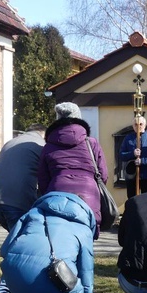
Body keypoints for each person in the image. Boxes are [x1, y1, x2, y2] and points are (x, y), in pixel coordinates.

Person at [0, 123, 47, 293]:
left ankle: (14, 288)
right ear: (42, 134)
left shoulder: (11, 143)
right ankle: (3, 291)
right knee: (21, 248)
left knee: (17, 243)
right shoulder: (40, 146)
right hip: (15, 200)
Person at [38, 102, 108, 238]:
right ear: (78, 118)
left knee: (59, 235)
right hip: (88, 192)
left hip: (57, 191)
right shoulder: (91, 142)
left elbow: (42, 177)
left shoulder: (49, 146)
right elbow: (103, 173)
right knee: (86, 235)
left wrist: (47, 193)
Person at [119, 116, 147, 198]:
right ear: (133, 126)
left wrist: (143, 161)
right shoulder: (128, 138)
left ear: (145, 125)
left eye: (141, 124)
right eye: (136, 124)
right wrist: (132, 154)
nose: (138, 126)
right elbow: (121, 155)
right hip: (132, 175)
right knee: (132, 199)